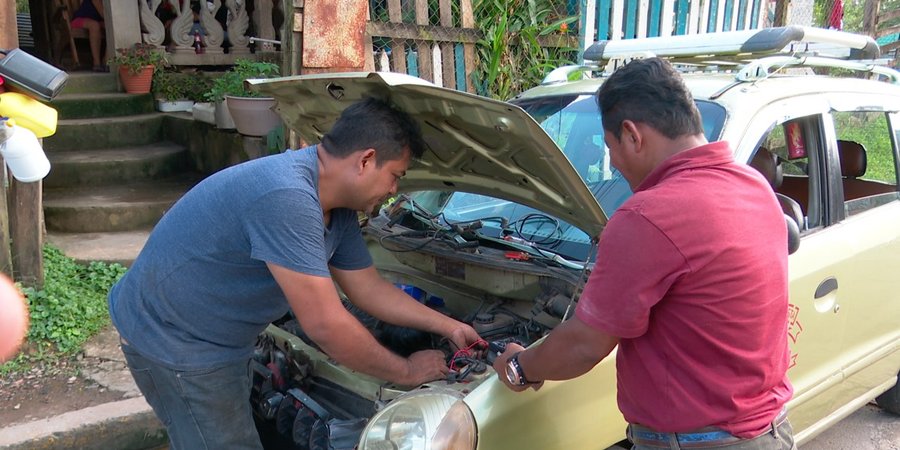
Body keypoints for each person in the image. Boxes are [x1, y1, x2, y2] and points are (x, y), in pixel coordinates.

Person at [109, 97, 483, 449]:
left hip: (219, 333)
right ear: (366, 160)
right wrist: (406, 371)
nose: (394, 190)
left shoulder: (336, 207)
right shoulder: (287, 196)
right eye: (395, 176)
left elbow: (367, 288)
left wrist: (446, 326)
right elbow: (325, 325)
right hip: (176, 340)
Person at [493, 57, 796, 450]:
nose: (614, 164)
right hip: (769, 432)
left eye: (609, 148)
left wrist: (520, 365)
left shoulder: (649, 215)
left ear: (632, 135)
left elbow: (585, 345)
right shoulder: (754, 186)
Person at [70, 0, 106, 71]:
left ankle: (106, 60)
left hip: (98, 21)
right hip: (79, 20)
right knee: (94, 25)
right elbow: (104, 14)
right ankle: (97, 63)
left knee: (112, 27)